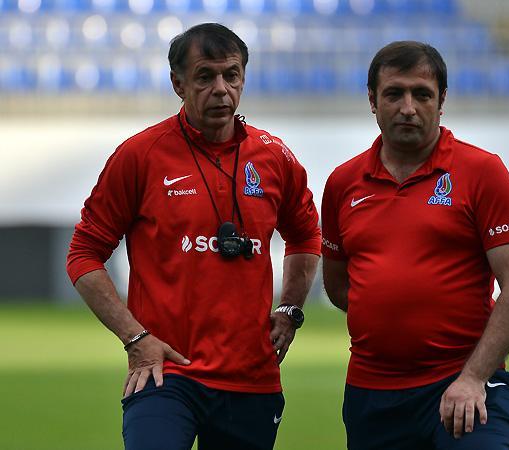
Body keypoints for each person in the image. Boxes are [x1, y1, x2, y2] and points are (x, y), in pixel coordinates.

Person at [66, 23, 321, 450]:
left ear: (243, 78)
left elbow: (306, 234)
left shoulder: (275, 156)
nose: (221, 89)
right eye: (205, 76)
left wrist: (290, 308)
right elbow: (83, 253)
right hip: (164, 371)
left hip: (251, 378)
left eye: (231, 75)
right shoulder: (141, 155)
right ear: (178, 84)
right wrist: (135, 337)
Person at [321, 41, 509, 450]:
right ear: (372, 100)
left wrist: (473, 377)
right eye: (394, 93)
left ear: (441, 102)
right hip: (372, 393)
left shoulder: (482, 172)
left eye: (422, 94)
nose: (408, 108)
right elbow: (338, 285)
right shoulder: (342, 183)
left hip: (464, 385)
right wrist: (391, 315)